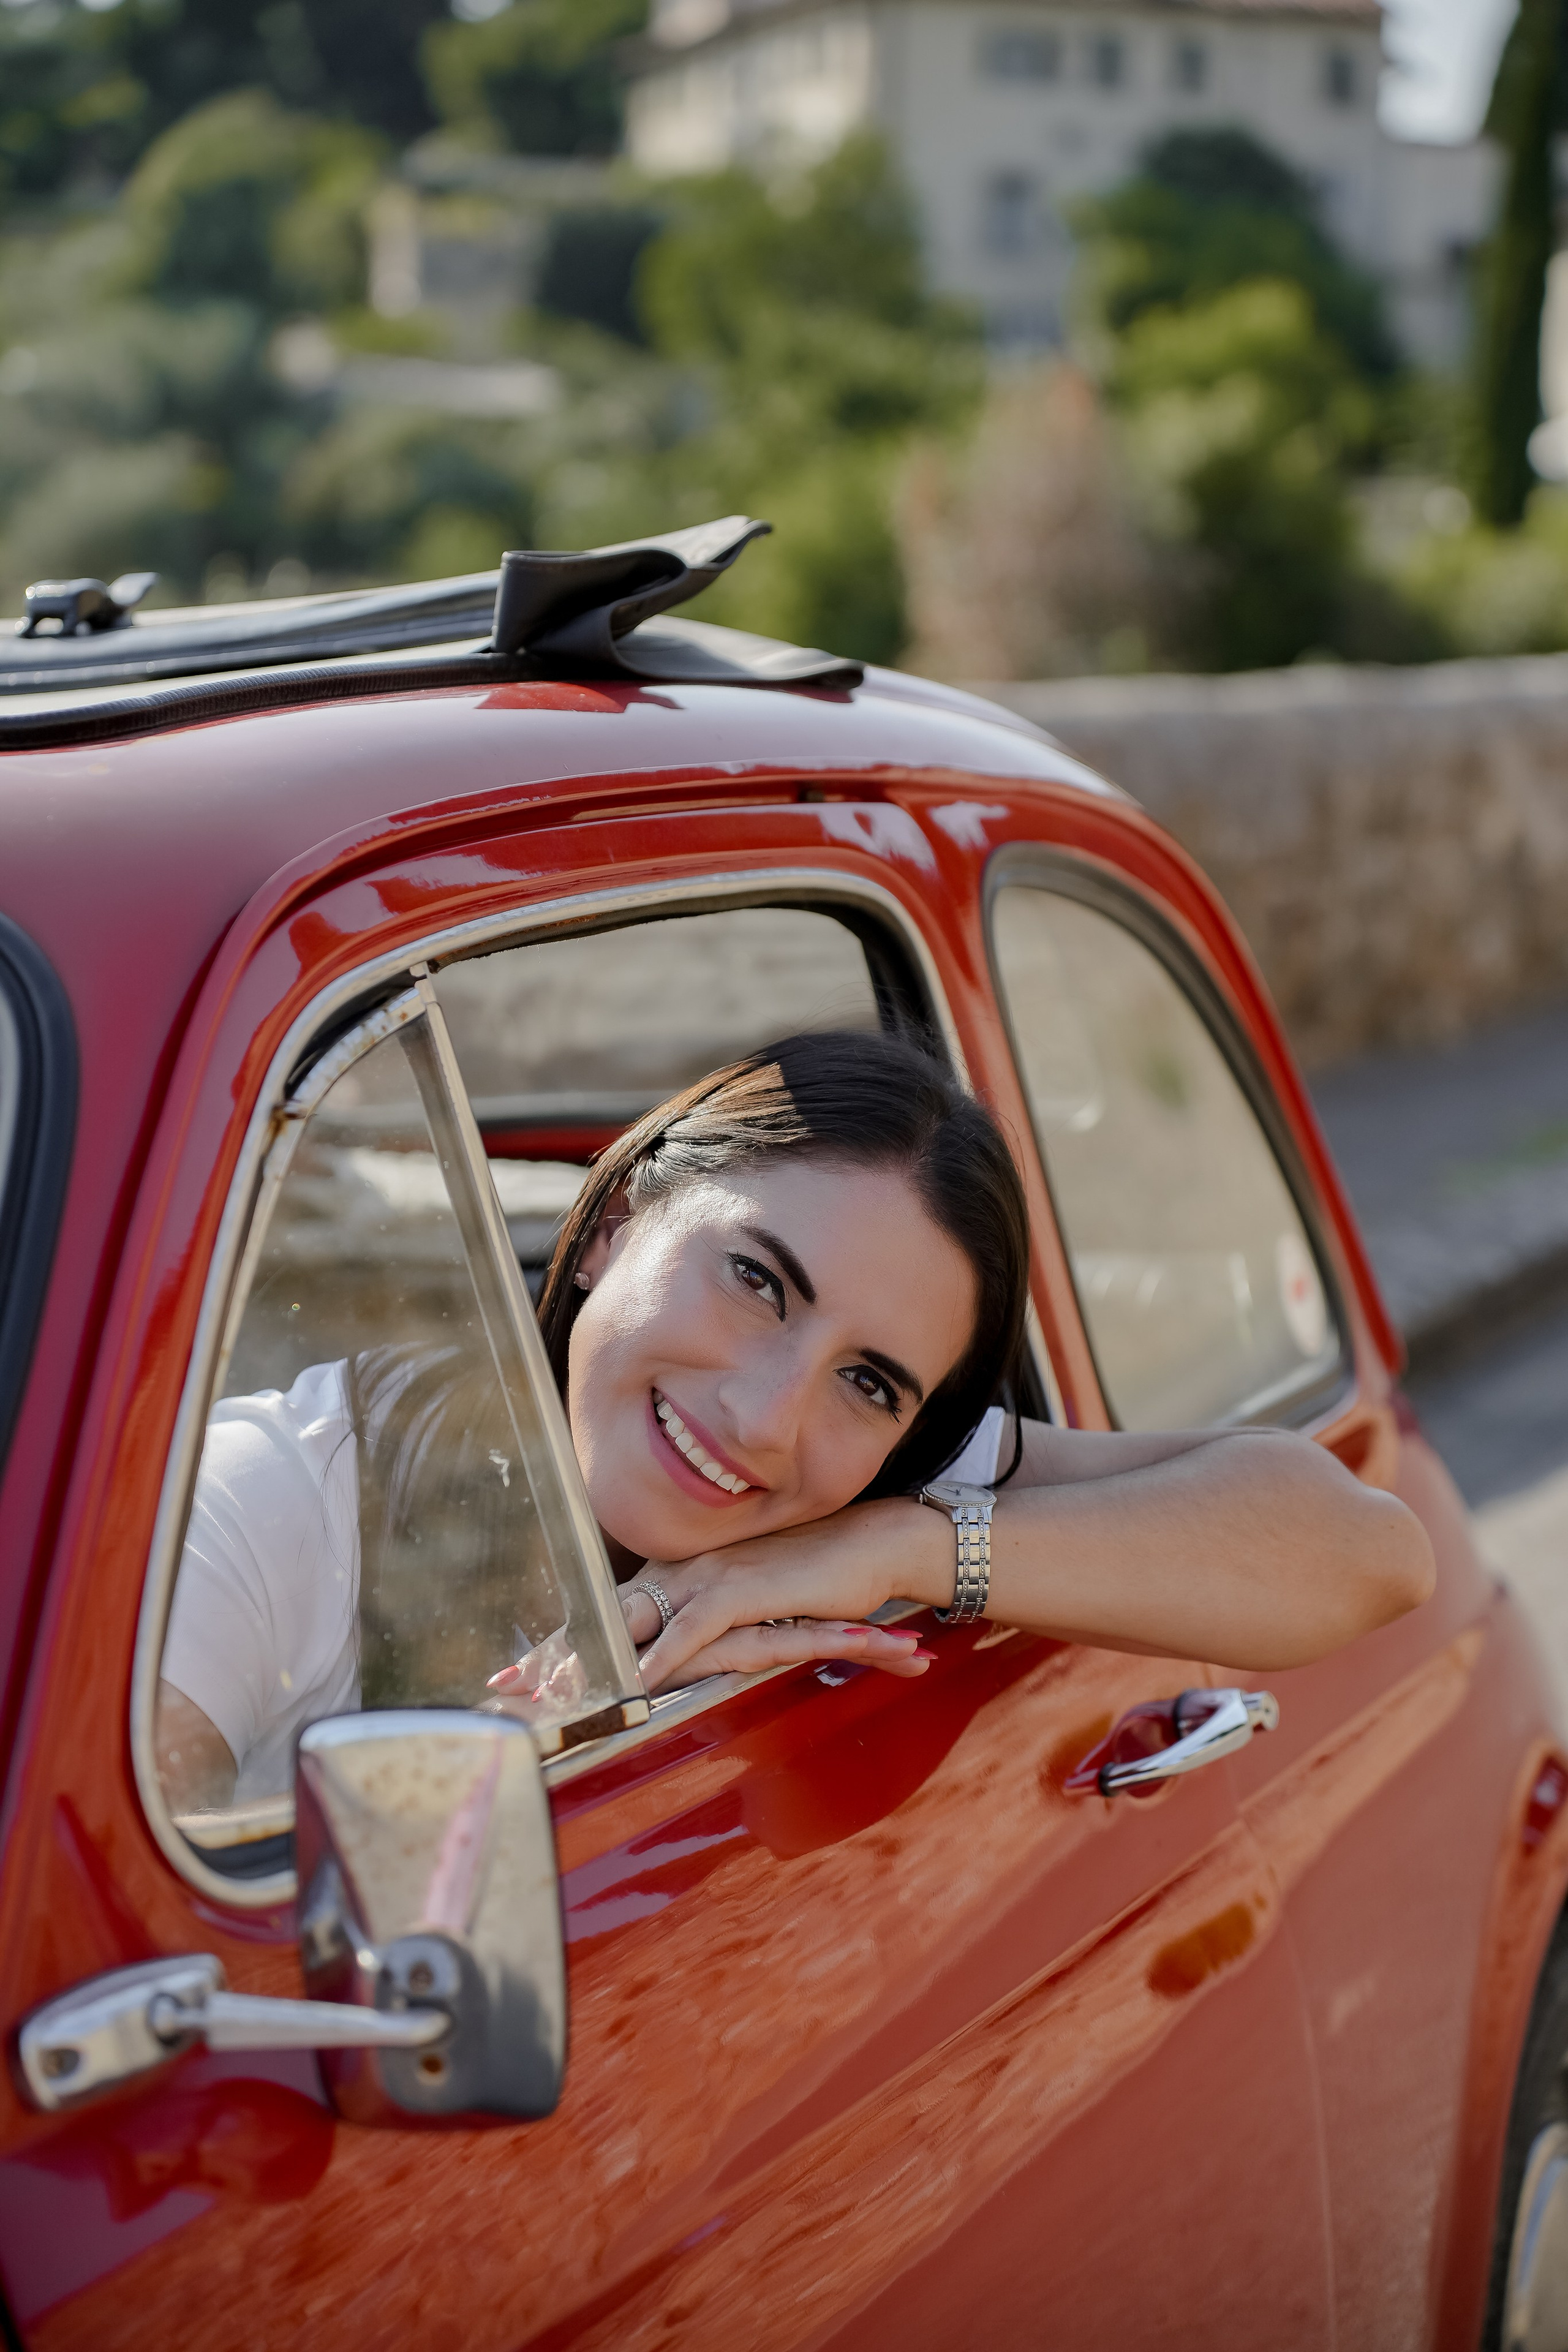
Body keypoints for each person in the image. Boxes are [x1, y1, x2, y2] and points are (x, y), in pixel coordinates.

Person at [157, 1029, 1433, 1811]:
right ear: (612, 1228)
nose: (769, 1420)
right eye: (757, 1282)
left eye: (870, 1383)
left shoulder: (881, 1489)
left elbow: (1367, 1550)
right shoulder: (277, 1499)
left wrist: (895, 1548)